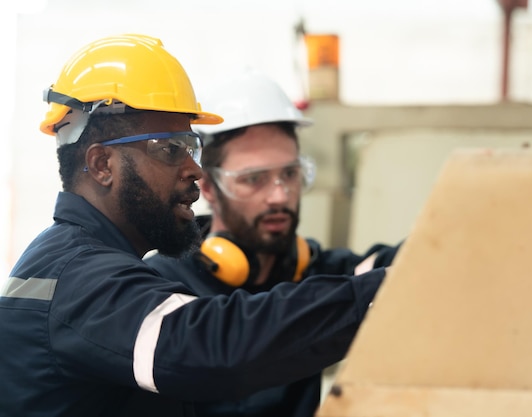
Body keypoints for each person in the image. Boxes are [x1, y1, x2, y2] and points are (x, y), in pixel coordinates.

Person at [0, 34, 388, 417]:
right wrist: (374, 297)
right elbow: (211, 348)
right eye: (170, 150)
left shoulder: (78, 263)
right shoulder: (81, 279)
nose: (195, 170)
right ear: (103, 165)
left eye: (191, 148)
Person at [144, 69, 401, 417]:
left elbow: (405, 266)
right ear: (206, 187)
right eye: (254, 179)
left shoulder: (318, 271)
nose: (279, 196)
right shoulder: (162, 287)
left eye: (290, 174)